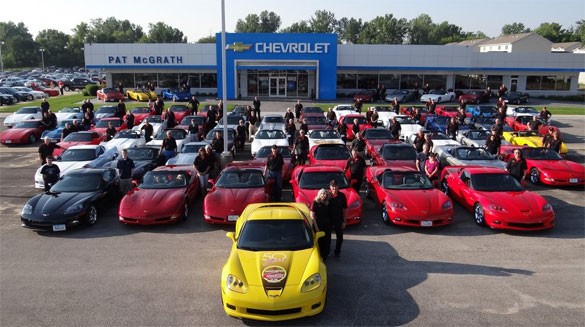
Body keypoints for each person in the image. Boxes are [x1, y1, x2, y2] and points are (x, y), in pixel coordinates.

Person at [310, 189, 332, 261]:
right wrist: (316, 227)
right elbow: (312, 216)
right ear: (319, 194)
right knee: (319, 241)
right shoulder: (315, 203)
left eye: (325, 194)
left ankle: (325, 256)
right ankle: (319, 256)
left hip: (327, 225)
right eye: (322, 193)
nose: (324, 195)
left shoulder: (327, 203)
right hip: (318, 225)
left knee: (327, 240)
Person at [328, 180, 347, 259]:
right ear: (330, 187)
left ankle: (337, 252)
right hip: (328, 219)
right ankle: (327, 251)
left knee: (340, 237)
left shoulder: (342, 196)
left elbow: (345, 209)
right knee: (327, 237)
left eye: (335, 186)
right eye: (332, 186)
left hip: (339, 219)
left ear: (338, 186)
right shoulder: (327, 195)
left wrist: (344, 221)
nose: (334, 188)